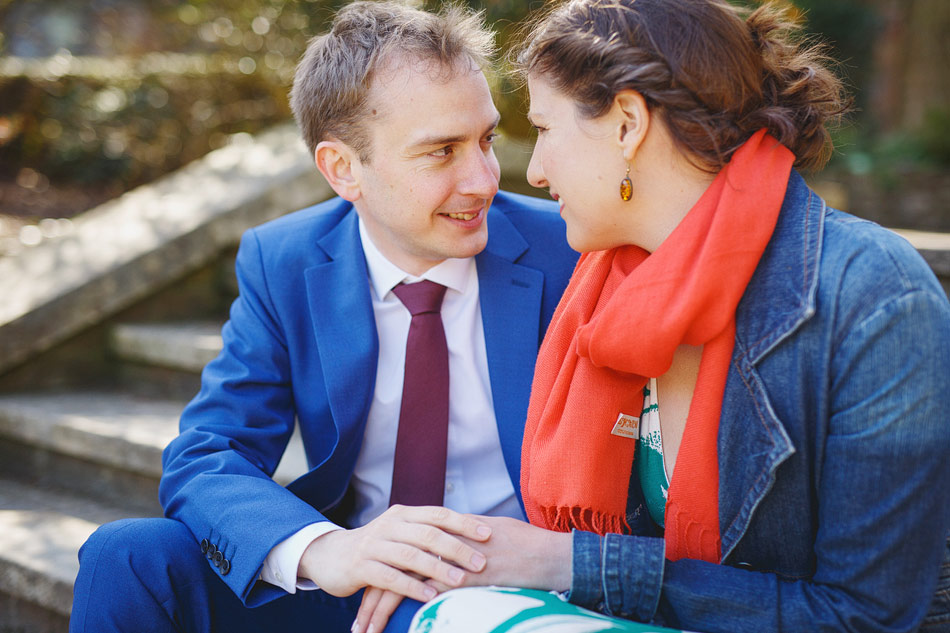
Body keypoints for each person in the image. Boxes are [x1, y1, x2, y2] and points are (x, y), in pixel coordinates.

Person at [358, 1, 950, 632]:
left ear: (627, 124)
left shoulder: (874, 299)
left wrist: (568, 562)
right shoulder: (608, 285)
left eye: (546, 131)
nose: (532, 171)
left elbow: (866, 618)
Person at [67, 2, 578, 632]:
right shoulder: (284, 260)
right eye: (441, 151)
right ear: (343, 169)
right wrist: (325, 549)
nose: (483, 179)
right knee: (129, 556)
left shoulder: (569, 249)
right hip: (355, 578)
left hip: (509, 590)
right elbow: (208, 452)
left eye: (486, 140)